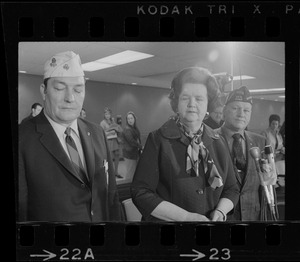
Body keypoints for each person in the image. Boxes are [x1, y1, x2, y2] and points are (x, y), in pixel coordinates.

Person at [19, 51, 122, 222]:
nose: (70, 98)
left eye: (78, 89)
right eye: (60, 88)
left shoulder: (97, 133)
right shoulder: (22, 138)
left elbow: (111, 195)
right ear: (44, 91)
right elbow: (21, 210)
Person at [131, 67, 239, 222]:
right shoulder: (158, 139)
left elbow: (232, 189)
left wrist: (221, 212)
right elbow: (140, 192)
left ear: (208, 103)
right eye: (185, 98)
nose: (192, 104)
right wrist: (185, 217)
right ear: (177, 101)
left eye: (199, 99)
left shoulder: (218, 140)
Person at [216, 86, 276, 221]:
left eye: (246, 110)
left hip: (253, 216)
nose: (241, 114)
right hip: (220, 217)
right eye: (235, 108)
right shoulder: (209, 139)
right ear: (224, 111)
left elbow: (267, 182)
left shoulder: (261, 141)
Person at [100, 108, 123, 178]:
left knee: (117, 156)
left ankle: (116, 172)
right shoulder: (102, 123)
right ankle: (111, 173)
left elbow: (119, 129)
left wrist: (116, 128)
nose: (107, 115)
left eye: (109, 114)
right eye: (106, 114)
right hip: (108, 142)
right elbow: (102, 133)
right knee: (110, 158)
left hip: (115, 141)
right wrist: (110, 132)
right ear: (104, 115)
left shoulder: (112, 121)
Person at [122, 111, 143, 182]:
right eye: (128, 119)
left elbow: (137, 139)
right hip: (129, 155)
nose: (130, 120)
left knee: (134, 173)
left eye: (131, 118)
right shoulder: (127, 129)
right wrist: (141, 146)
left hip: (135, 153)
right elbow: (131, 141)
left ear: (134, 119)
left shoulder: (134, 128)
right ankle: (127, 190)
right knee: (130, 175)